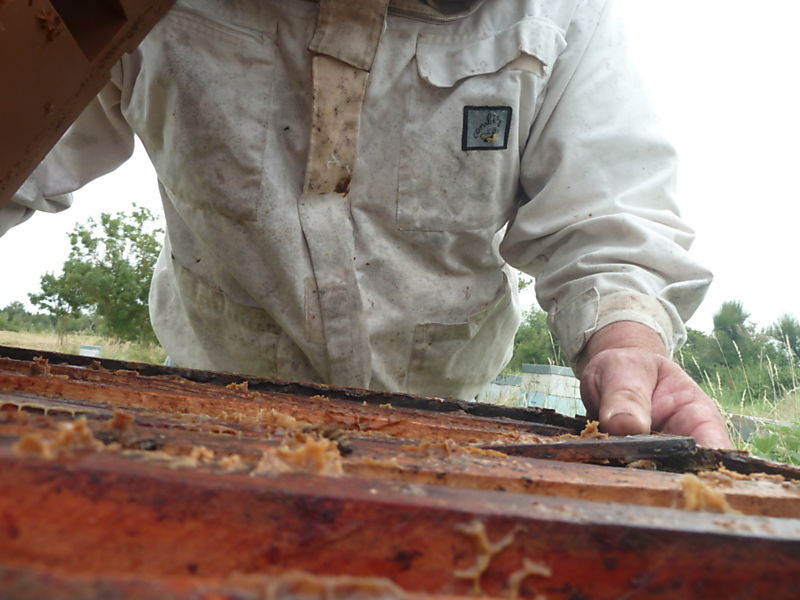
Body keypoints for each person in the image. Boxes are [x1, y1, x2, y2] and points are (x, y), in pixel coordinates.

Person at [0, 0, 732, 447]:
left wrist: (627, 342)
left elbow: (606, 214)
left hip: (449, 434)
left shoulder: (560, 10)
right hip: (201, 411)